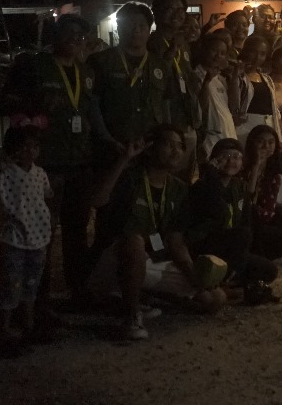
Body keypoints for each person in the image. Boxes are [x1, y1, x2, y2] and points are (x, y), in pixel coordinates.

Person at [0, 14, 104, 311]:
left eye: (80, 35)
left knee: (77, 231)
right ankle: (36, 302)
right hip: (44, 165)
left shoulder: (85, 71)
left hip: (79, 163)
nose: (74, 39)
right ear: (55, 36)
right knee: (41, 231)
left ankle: (77, 292)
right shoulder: (33, 66)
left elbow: (92, 113)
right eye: (68, 33)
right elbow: (3, 103)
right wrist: (34, 105)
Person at [86, 125, 225, 341]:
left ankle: (147, 298)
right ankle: (132, 315)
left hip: (151, 261)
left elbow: (176, 241)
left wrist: (196, 281)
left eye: (180, 146)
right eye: (168, 144)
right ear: (150, 148)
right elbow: (97, 200)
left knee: (215, 298)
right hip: (115, 261)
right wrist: (123, 159)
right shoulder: (130, 177)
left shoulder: (178, 188)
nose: (176, 151)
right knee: (134, 240)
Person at [187, 138, 279, 296]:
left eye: (236, 157)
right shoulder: (203, 186)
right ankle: (227, 283)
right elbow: (218, 212)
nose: (232, 161)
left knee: (269, 270)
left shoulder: (239, 187)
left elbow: (246, 222)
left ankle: (230, 284)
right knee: (242, 235)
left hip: (234, 249)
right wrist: (212, 175)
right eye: (226, 156)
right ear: (215, 160)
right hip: (207, 245)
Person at [0, 126, 51, 357]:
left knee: (31, 283)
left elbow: (46, 195)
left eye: (34, 146)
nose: (30, 151)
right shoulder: (6, 174)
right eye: (25, 146)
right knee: (11, 283)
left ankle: (28, 323)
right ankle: (5, 326)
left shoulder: (40, 173)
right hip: (14, 238)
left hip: (39, 236)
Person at [87, 1, 167, 159]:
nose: (136, 30)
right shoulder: (100, 61)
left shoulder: (160, 64)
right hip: (111, 147)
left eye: (141, 25)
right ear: (118, 27)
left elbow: (166, 105)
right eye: (130, 24)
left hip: (151, 146)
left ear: (150, 30)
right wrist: (108, 140)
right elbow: (92, 105)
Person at [148, 0, 202, 168]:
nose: (177, 14)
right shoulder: (152, 42)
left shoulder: (184, 43)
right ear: (156, 12)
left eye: (181, 9)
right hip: (167, 120)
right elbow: (157, 74)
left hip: (186, 118)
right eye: (170, 9)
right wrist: (174, 47)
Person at [242, 125, 282, 260]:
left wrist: (260, 212)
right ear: (252, 143)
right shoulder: (240, 165)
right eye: (260, 141)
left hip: (261, 217)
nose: (266, 146)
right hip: (242, 215)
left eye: (270, 142)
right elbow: (247, 196)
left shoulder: (274, 171)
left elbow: (269, 207)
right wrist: (256, 165)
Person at [194, 32, 238, 159]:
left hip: (228, 134)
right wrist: (206, 82)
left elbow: (234, 106)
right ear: (204, 50)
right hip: (209, 139)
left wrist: (235, 76)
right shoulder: (195, 75)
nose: (218, 56)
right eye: (214, 50)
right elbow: (200, 107)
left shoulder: (221, 79)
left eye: (223, 53)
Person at [234, 35, 281, 144]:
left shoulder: (267, 79)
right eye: (253, 52)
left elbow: (275, 111)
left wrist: (279, 136)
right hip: (245, 129)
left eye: (262, 54)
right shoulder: (238, 77)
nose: (257, 57)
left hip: (268, 127)